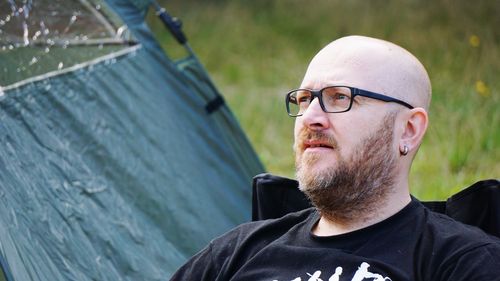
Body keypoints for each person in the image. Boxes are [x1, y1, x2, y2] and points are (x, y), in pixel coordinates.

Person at [170, 36, 500, 280]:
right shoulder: (236, 253)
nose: (311, 116)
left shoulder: (463, 263)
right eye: (303, 100)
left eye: (340, 97)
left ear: (409, 130)